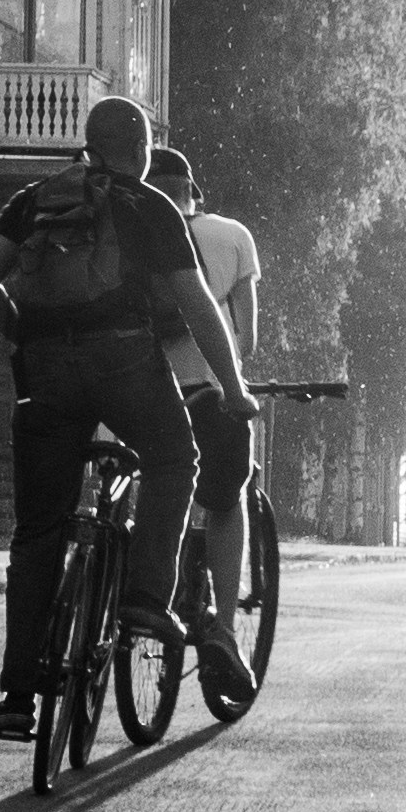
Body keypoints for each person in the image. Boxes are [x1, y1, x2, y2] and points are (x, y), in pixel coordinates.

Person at [0, 93, 251, 741]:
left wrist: (24, 336)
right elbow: (199, 309)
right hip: (124, 365)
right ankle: (146, 600)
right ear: (144, 152)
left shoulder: (35, 198)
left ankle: (16, 699)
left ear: (88, 145)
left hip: (44, 376)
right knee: (176, 459)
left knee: (38, 529)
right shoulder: (149, 206)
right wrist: (233, 390)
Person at [145, 144, 265, 710]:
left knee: (147, 482)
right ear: (193, 193)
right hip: (210, 391)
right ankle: (222, 627)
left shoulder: (126, 223)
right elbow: (247, 334)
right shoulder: (232, 235)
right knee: (226, 498)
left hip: (134, 387)